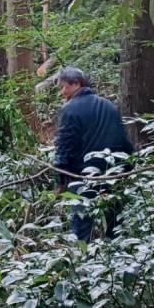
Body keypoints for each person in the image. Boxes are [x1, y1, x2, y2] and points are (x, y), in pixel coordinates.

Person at [54, 66, 134, 242]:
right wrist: (128, 168)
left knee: (82, 228)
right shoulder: (109, 106)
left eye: (64, 86)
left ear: (76, 84)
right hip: (112, 174)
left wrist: (60, 180)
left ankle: (84, 265)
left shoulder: (70, 109)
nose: (62, 92)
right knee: (115, 225)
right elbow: (124, 141)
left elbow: (64, 147)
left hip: (81, 178)